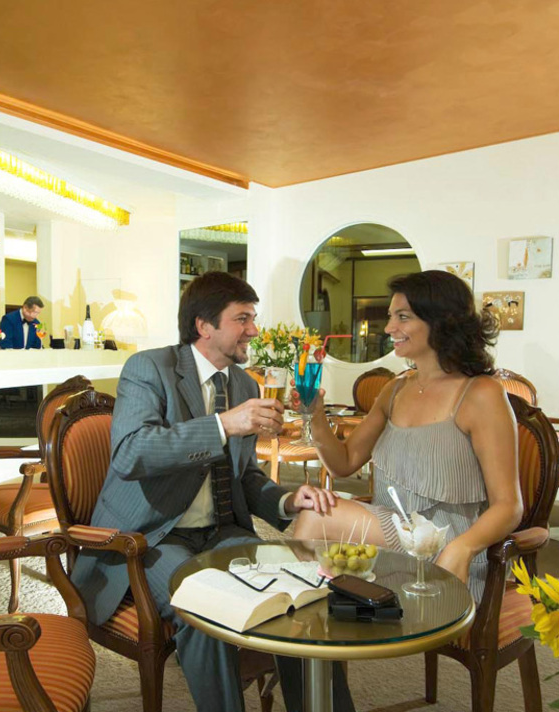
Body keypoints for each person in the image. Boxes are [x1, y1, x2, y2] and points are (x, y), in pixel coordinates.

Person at [71, 271, 354, 712]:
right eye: (242, 319)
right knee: (205, 611)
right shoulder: (149, 369)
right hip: (153, 536)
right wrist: (222, 425)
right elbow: (131, 453)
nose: (254, 330)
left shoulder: (244, 384)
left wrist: (286, 500)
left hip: (221, 530)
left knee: (303, 593)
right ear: (204, 325)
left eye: (253, 318)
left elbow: (244, 475)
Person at [293, 270, 522, 602]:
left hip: (447, 543)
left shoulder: (481, 394)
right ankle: (304, 617)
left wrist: (462, 548)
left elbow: (509, 506)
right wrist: (315, 414)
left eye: (402, 317)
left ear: (441, 321)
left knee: (316, 520)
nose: (388, 328)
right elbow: (343, 463)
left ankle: (304, 619)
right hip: (395, 531)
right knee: (316, 512)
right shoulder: (396, 389)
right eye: (391, 317)